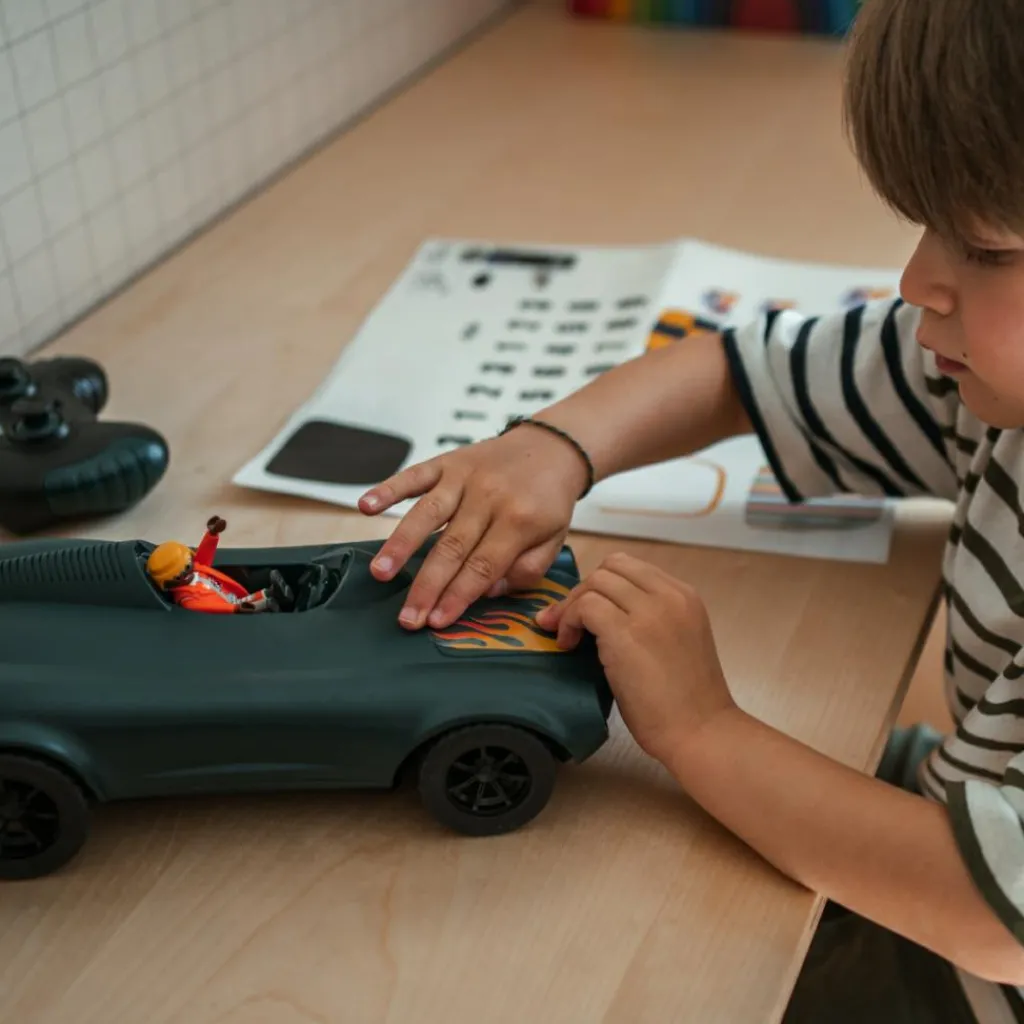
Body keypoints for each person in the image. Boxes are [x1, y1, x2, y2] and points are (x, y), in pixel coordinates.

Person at [356, 1, 1024, 1018]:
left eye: (983, 248)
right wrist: (556, 446)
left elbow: (986, 915)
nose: (915, 278)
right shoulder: (982, 377)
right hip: (964, 811)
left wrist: (703, 727)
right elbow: (744, 370)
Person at [146, 515, 293, 613]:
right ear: (169, 583)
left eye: (188, 566)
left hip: (232, 594)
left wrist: (212, 534)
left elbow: (203, 557)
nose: (187, 573)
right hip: (231, 606)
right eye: (180, 575)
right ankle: (274, 603)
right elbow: (210, 607)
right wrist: (234, 609)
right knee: (262, 604)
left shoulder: (196, 569)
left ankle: (278, 592)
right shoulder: (188, 600)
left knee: (263, 585)